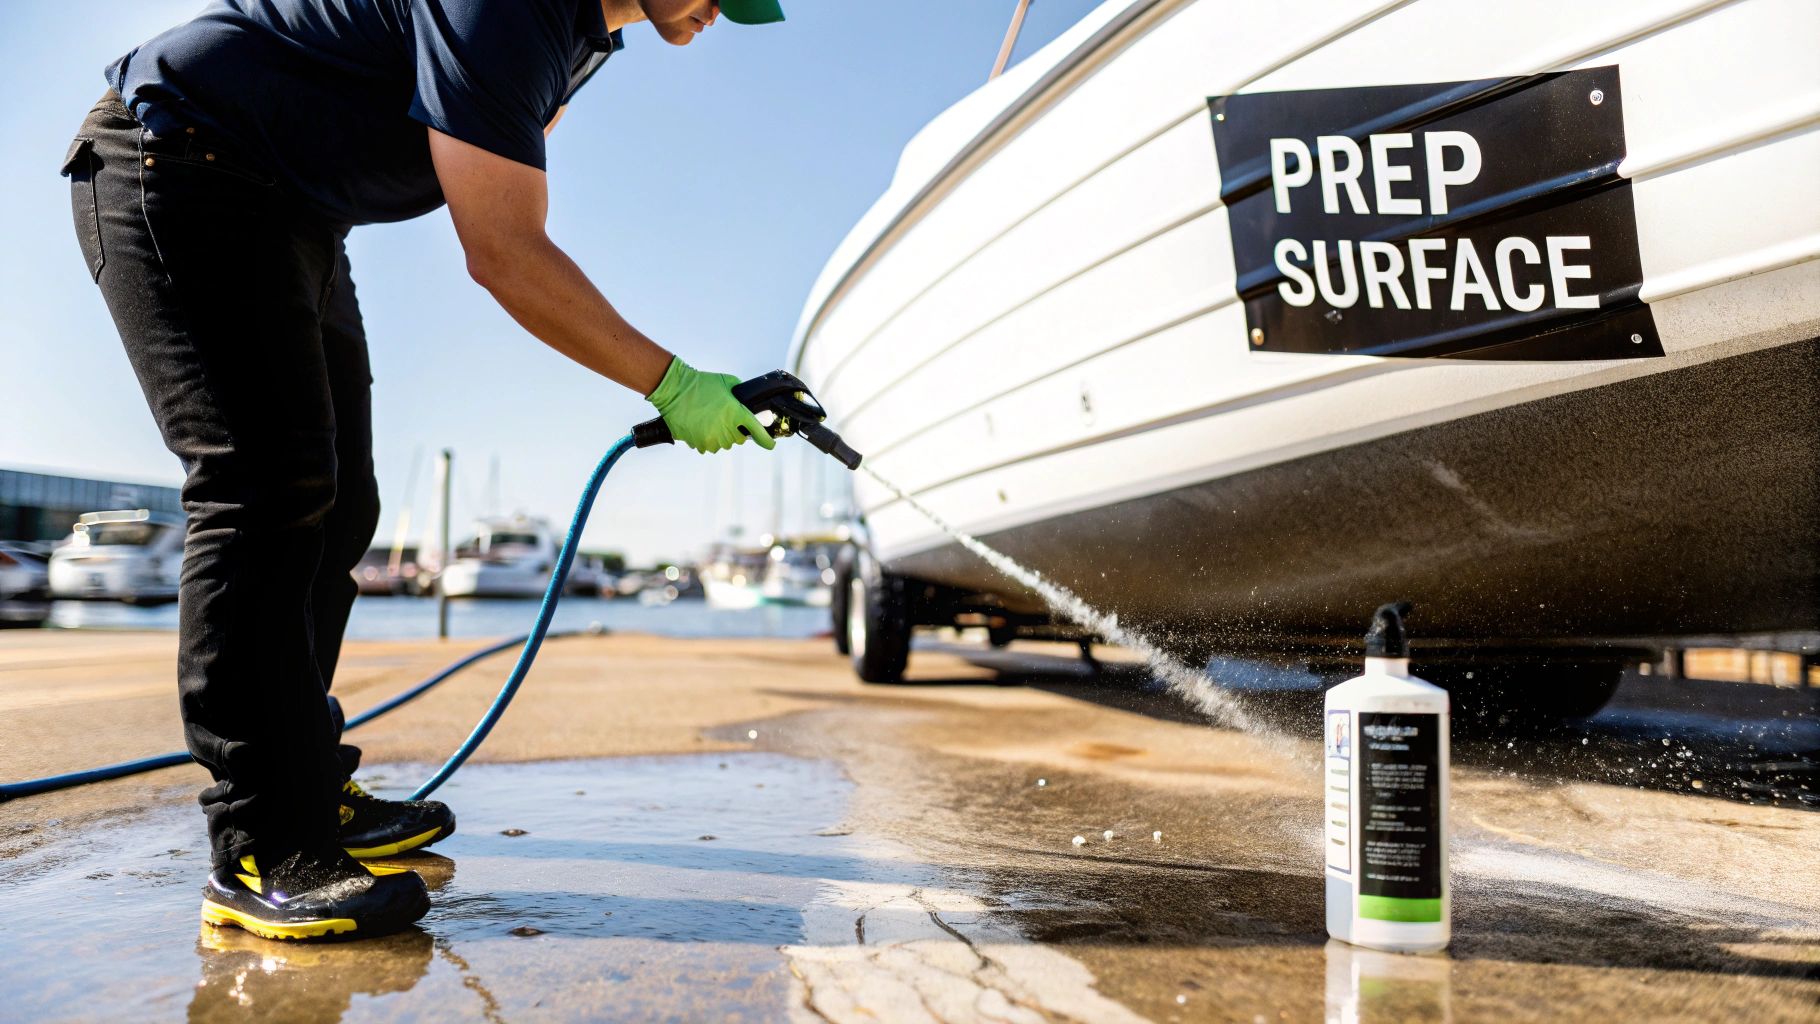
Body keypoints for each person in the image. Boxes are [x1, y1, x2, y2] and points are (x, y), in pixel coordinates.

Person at [63, 0, 785, 942]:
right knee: (263, 491)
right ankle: (261, 847)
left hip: (289, 208)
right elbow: (505, 252)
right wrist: (674, 383)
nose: (717, 15)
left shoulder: (576, 39)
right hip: (179, 154)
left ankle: (308, 792)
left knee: (338, 507)